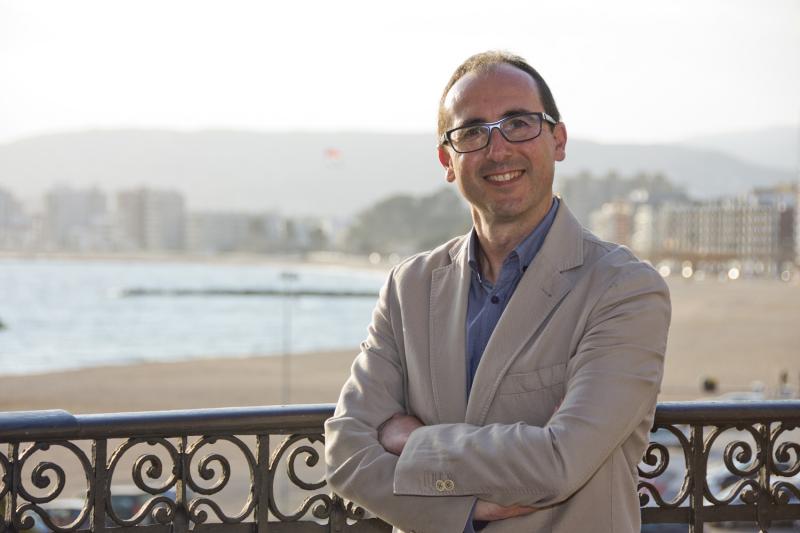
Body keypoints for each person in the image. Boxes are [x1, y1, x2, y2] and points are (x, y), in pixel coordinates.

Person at [324, 50, 671, 533]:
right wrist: (463, 510)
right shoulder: (409, 287)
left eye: (519, 124)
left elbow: (558, 462)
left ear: (558, 140)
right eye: (472, 133)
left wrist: (411, 441)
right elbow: (347, 452)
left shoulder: (623, 289)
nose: (498, 149)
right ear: (447, 161)